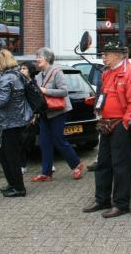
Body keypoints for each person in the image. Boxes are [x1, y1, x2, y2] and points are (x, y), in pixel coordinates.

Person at [82, 40, 131, 218]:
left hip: (119, 125)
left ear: (118, 55)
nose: (103, 57)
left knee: (120, 166)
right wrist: (100, 114)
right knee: (103, 163)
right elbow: (103, 95)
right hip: (106, 123)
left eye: (106, 54)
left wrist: (125, 123)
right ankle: (102, 200)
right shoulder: (107, 73)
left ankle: (121, 204)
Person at [31, 47, 84, 182]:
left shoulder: (57, 72)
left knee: (59, 140)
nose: (37, 59)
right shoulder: (38, 75)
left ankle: (77, 165)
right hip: (45, 113)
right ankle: (46, 173)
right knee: (44, 142)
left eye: (39, 57)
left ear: (47, 58)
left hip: (58, 112)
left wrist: (45, 90)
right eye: (36, 57)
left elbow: (64, 91)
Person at [0, 49, 31, 198]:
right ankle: (13, 184)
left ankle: (19, 188)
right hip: (17, 121)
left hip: (10, 123)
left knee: (10, 156)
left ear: (2, 63)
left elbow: (1, 102)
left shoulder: (6, 79)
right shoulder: (17, 75)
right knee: (7, 155)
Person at [18, 61, 39, 175]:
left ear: (30, 71)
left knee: (35, 140)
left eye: (24, 68)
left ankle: (48, 163)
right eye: (21, 68)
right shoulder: (19, 82)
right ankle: (22, 165)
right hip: (22, 115)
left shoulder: (33, 82)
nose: (22, 70)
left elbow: (36, 100)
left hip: (33, 115)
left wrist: (36, 114)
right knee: (22, 141)